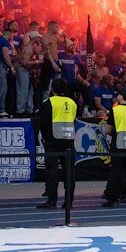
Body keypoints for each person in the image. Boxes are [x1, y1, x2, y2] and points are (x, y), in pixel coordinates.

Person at [38, 82, 79, 211]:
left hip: (52, 139)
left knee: (52, 170)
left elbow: (43, 123)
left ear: (53, 90)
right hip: (68, 139)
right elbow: (73, 119)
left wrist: (46, 137)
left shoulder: (48, 102)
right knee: (69, 171)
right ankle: (68, 201)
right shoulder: (72, 103)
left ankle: (52, 200)